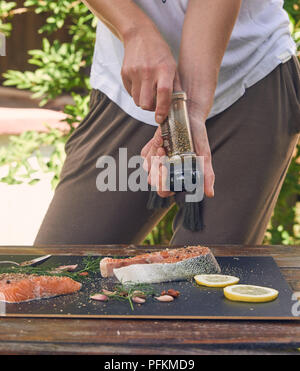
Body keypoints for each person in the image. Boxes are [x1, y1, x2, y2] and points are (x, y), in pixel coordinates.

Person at [34, 0, 300, 246]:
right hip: (131, 89)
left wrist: (188, 113)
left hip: (246, 77)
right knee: (59, 265)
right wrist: (134, 30)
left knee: (207, 282)